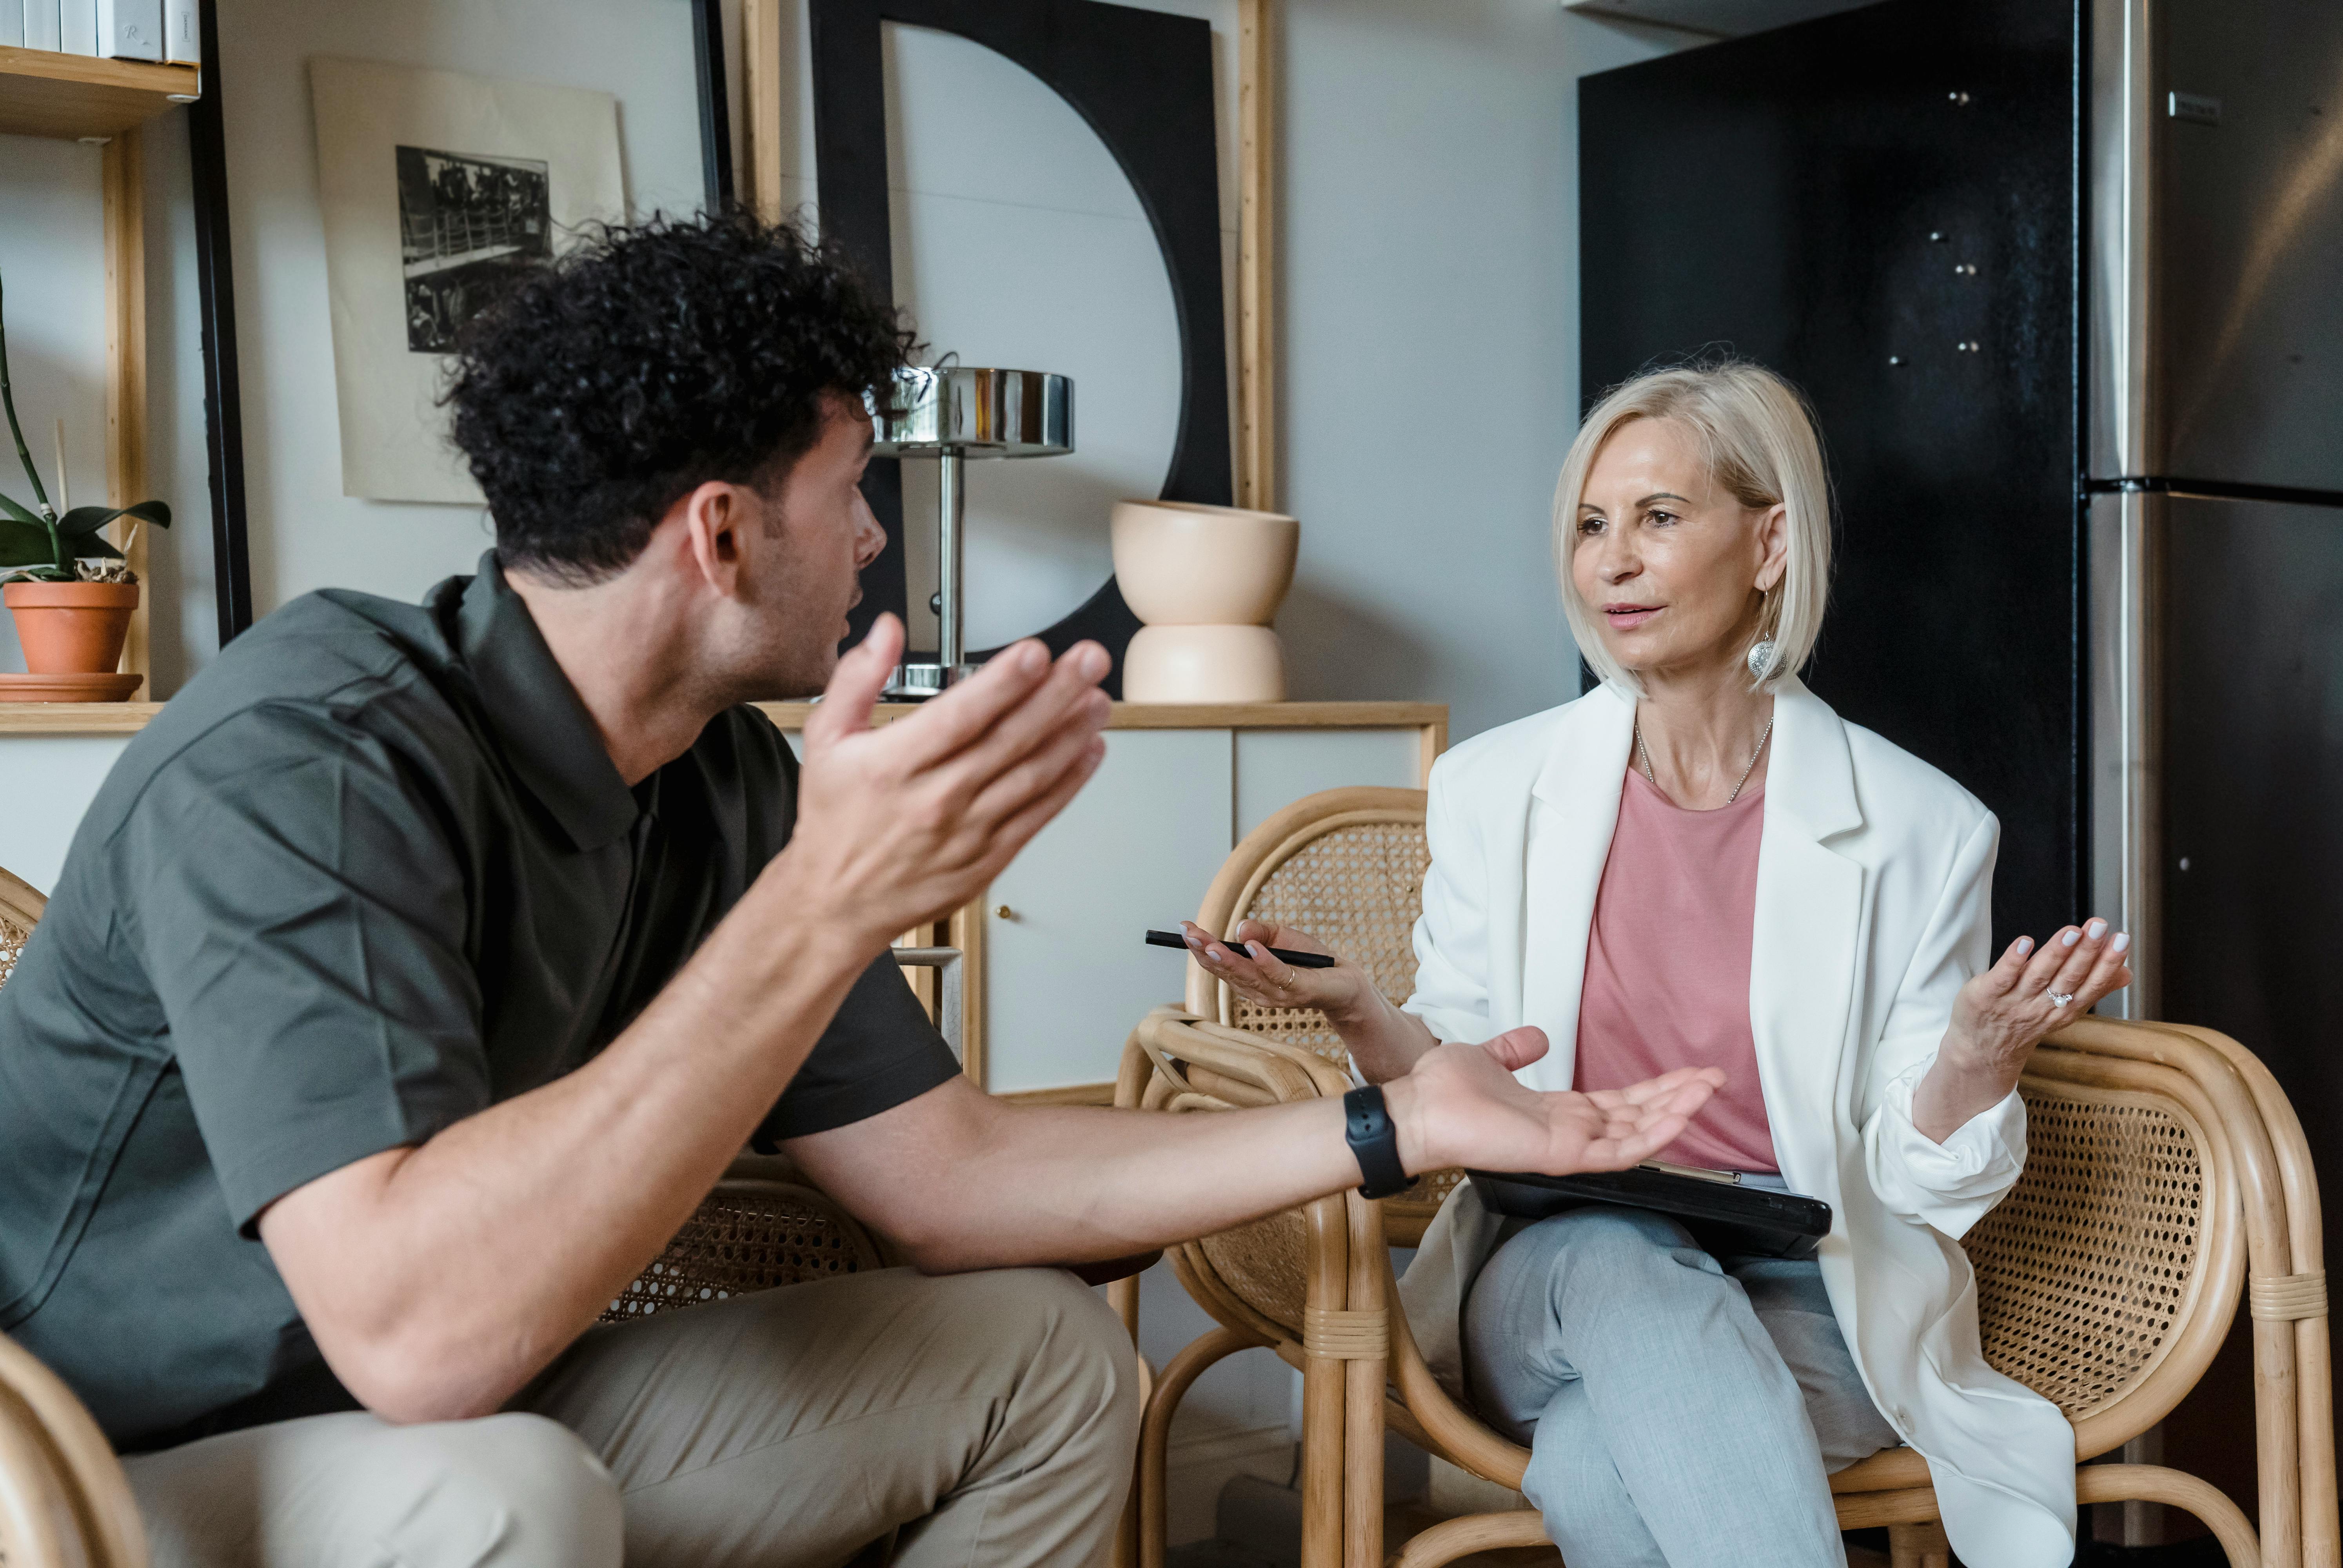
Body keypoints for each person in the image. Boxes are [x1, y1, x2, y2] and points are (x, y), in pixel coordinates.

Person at [0, 212, 1724, 1568]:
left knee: (1048, 1366)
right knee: (500, 1494)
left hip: (448, 1403)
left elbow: (949, 1177)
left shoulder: (717, 782)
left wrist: (1399, 1124)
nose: (879, 541)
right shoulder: (313, 757)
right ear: (723, 534)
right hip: (79, 1457)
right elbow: (416, 1335)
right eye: (854, 493)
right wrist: (831, 898)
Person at [1189, 361, 2129, 1568]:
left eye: (1658, 518)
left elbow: (1920, 1185)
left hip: (1812, 1296)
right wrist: (1366, 1011)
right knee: (1623, 1263)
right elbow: (1463, 1083)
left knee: (1598, 1454)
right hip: (1553, 1272)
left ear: (1772, 543)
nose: (1612, 561)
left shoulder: (1922, 828)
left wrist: (1973, 1064)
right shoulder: (1494, 788)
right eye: (1591, 526)